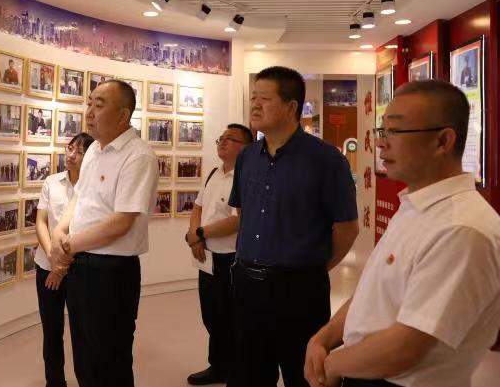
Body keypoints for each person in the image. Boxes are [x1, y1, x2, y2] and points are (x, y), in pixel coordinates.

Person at [304, 80, 500, 387]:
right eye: (382, 131)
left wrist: (330, 365)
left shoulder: (461, 229)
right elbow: (373, 295)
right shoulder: (414, 205)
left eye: (395, 131)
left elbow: (405, 348)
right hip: (365, 371)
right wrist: (323, 338)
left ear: (443, 141)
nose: (381, 144)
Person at [189, 66, 359, 387]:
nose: (255, 105)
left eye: (264, 99)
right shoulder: (247, 157)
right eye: (253, 97)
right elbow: (243, 212)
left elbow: (347, 228)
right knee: (248, 374)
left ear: (291, 107)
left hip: (300, 289)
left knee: (303, 375)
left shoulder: (326, 160)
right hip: (246, 284)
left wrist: (312, 268)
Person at [48, 80, 159, 386]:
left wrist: (67, 245)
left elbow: (121, 222)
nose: (89, 112)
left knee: (109, 361)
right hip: (81, 266)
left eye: (99, 105)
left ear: (123, 115)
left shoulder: (138, 156)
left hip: (111, 272)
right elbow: (79, 198)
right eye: (89, 103)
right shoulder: (95, 150)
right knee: (85, 357)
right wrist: (59, 230)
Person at [185, 123, 253, 385]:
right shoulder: (214, 173)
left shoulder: (244, 178)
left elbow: (238, 220)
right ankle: (218, 366)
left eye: (230, 139)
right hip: (208, 257)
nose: (222, 142)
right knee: (211, 316)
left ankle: (236, 371)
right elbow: (197, 207)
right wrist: (195, 237)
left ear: (245, 148)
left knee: (232, 318)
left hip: (233, 259)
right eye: (221, 138)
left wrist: (200, 233)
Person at [34, 132, 95, 387]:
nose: (71, 155)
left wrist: (61, 266)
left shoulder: (92, 188)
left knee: (82, 332)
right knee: (51, 330)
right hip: (46, 266)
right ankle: (55, 382)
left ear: (90, 156)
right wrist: (53, 258)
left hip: (78, 268)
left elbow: (89, 230)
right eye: (70, 149)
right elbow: (40, 222)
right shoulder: (52, 182)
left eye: (79, 152)